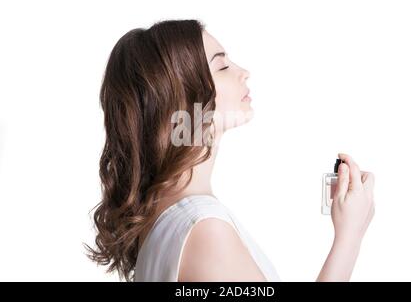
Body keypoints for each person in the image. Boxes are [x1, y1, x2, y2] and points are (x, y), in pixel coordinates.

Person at [85, 19, 375, 282]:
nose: (243, 72)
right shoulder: (204, 230)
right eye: (222, 66)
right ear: (182, 101)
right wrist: (349, 236)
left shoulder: (167, 217)